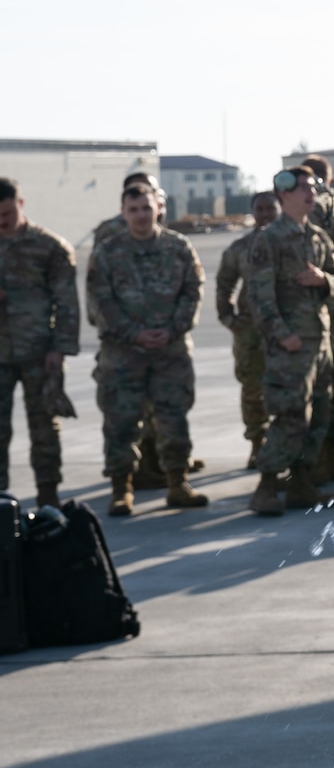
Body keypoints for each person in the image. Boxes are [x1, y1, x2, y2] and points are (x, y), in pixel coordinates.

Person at [88, 184, 207, 515]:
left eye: (146, 208)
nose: (141, 215)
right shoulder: (107, 252)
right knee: (121, 423)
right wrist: (135, 335)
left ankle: (177, 483)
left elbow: (192, 292)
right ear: (124, 212)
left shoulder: (179, 247)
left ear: (158, 208)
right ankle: (121, 489)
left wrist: (171, 330)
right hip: (124, 354)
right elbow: (101, 301)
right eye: (133, 209)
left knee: (173, 419)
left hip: (170, 352)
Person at [242, 167, 334, 516]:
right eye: (303, 187)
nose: (311, 192)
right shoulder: (269, 239)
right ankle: (267, 485)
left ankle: (301, 482)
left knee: (319, 414)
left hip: (320, 343)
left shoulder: (317, 237)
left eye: (313, 186)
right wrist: (282, 335)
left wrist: (322, 280)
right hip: (290, 345)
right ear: (283, 193)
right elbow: (258, 296)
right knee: (289, 415)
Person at [0, 177, 81, 509]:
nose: (1, 222)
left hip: (39, 351)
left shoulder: (50, 247)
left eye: (6, 213)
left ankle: (48, 495)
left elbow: (67, 304)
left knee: (44, 426)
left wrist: (59, 349)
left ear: (20, 204)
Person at [296, 153, 334, 485]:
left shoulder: (316, 208)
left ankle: (318, 459)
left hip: (320, 304)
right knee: (333, 381)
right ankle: (327, 459)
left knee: (318, 384)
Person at [215, 191, 281, 469]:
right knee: (253, 390)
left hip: (285, 329)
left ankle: (283, 446)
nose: (265, 214)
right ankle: (257, 443)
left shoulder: (289, 243)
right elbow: (224, 283)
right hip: (250, 332)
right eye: (260, 209)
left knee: (286, 390)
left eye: (270, 208)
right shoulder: (240, 247)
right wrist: (230, 319)